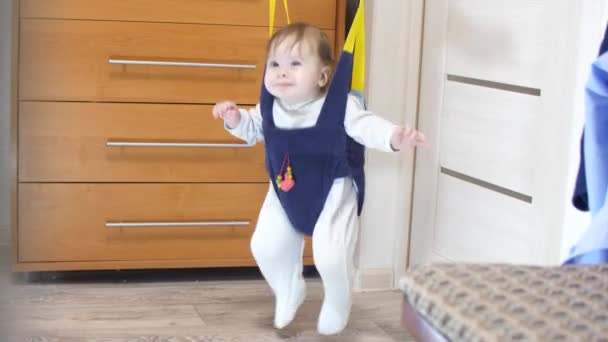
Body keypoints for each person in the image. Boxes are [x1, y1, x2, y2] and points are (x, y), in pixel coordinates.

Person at [212, 22, 425, 335]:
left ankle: (338, 300)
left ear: (323, 76)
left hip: (334, 191)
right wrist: (234, 119)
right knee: (265, 246)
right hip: (286, 192)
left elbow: (367, 126)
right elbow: (252, 129)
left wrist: (393, 137)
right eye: (274, 64)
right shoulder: (269, 105)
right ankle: (288, 289)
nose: (281, 73)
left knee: (330, 255)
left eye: (294, 64)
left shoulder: (340, 104)